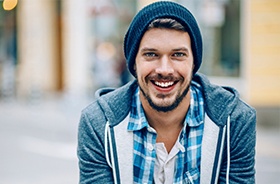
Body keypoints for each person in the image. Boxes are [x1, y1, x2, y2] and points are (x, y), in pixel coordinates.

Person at [77, 1, 256, 184]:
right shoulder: (98, 123)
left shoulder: (234, 121)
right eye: (151, 54)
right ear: (134, 63)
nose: (164, 69)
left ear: (194, 63)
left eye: (178, 54)